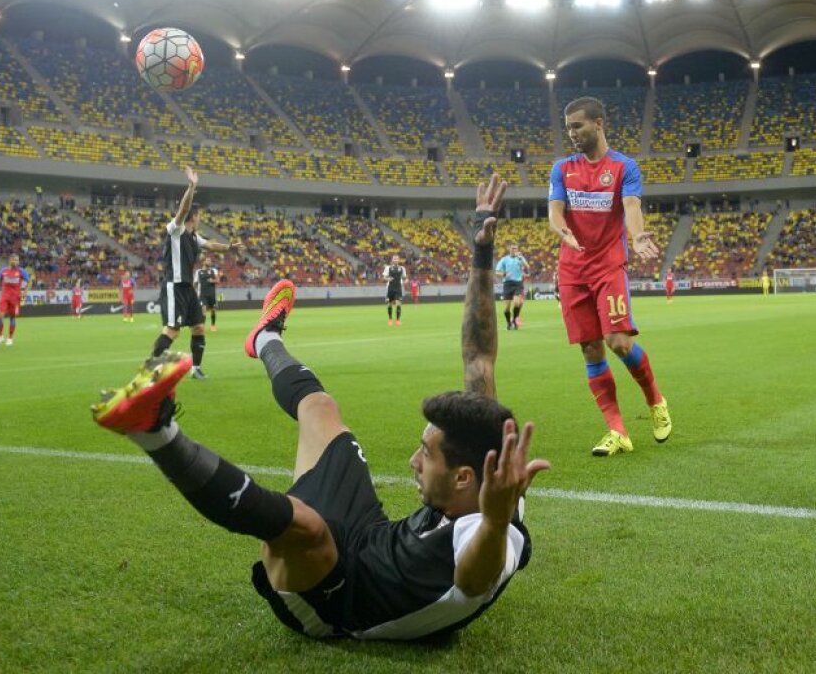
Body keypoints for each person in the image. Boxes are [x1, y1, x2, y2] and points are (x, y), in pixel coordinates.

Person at [91, 174, 548, 640]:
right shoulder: (491, 454)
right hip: (368, 535)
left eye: (426, 455)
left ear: (464, 479)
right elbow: (479, 358)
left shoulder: (492, 536)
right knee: (320, 407)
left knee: (305, 526)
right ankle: (266, 338)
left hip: (338, 596)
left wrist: (494, 519)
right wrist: (481, 250)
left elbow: (475, 579)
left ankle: (153, 431)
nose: (413, 460)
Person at [548, 96, 671, 457]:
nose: (571, 133)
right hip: (572, 270)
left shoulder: (623, 167)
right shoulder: (562, 168)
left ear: (598, 123)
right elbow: (555, 211)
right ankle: (617, 431)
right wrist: (561, 231)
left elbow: (631, 207)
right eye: (568, 127)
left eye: (577, 126)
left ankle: (655, 400)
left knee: (618, 342)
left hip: (608, 266)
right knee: (590, 349)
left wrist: (636, 235)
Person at [149, 166, 246, 380]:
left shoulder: (194, 237)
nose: (200, 218)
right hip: (174, 286)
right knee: (172, 330)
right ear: (194, 216)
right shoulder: (176, 230)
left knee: (199, 327)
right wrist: (192, 186)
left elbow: (211, 245)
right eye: (199, 215)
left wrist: (229, 248)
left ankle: (196, 368)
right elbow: (183, 210)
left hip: (188, 289)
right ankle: (151, 370)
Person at [0, 253, 29, 346]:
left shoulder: (22, 271)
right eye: (14, 260)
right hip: (4, 297)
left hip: (15, 298)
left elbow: (29, 282)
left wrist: (25, 292)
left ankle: (10, 338)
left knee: (12, 318)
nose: (16, 262)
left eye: (17, 260)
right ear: (10, 261)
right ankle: (0, 336)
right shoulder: (3, 270)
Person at [495, 243, 530, 330]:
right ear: (509, 249)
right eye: (513, 248)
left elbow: (527, 266)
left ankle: (514, 320)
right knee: (506, 308)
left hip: (518, 283)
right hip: (507, 284)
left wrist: (521, 258)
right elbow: (497, 271)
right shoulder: (504, 259)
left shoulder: (520, 258)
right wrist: (504, 274)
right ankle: (508, 323)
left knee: (517, 303)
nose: (514, 250)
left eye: (516, 248)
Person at [196, 256, 221, 332]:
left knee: (213, 310)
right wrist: (194, 292)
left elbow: (217, 280)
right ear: (203, 262)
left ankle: (213, 325)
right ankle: (202, 326)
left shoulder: (214, 270)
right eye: (207, 260)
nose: (209, 262)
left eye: (210, 261)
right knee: (203, 310)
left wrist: (212, 281)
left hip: (212, 294)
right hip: (202, 295)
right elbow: (195, 283)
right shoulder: (198, 272)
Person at [383, 254, 407, 326]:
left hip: (398, 287)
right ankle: (390, 319)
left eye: (397, 259)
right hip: (390, 287)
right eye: (394, 259)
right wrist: (388, 279)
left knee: (398, 303)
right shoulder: (388, 268)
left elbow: (404, 277)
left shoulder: (402, 268)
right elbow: (384, 277)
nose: (396, 260)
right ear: (392, 260)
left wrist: (405, 281)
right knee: (389, 304)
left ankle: (398, 320)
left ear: (399, 260)